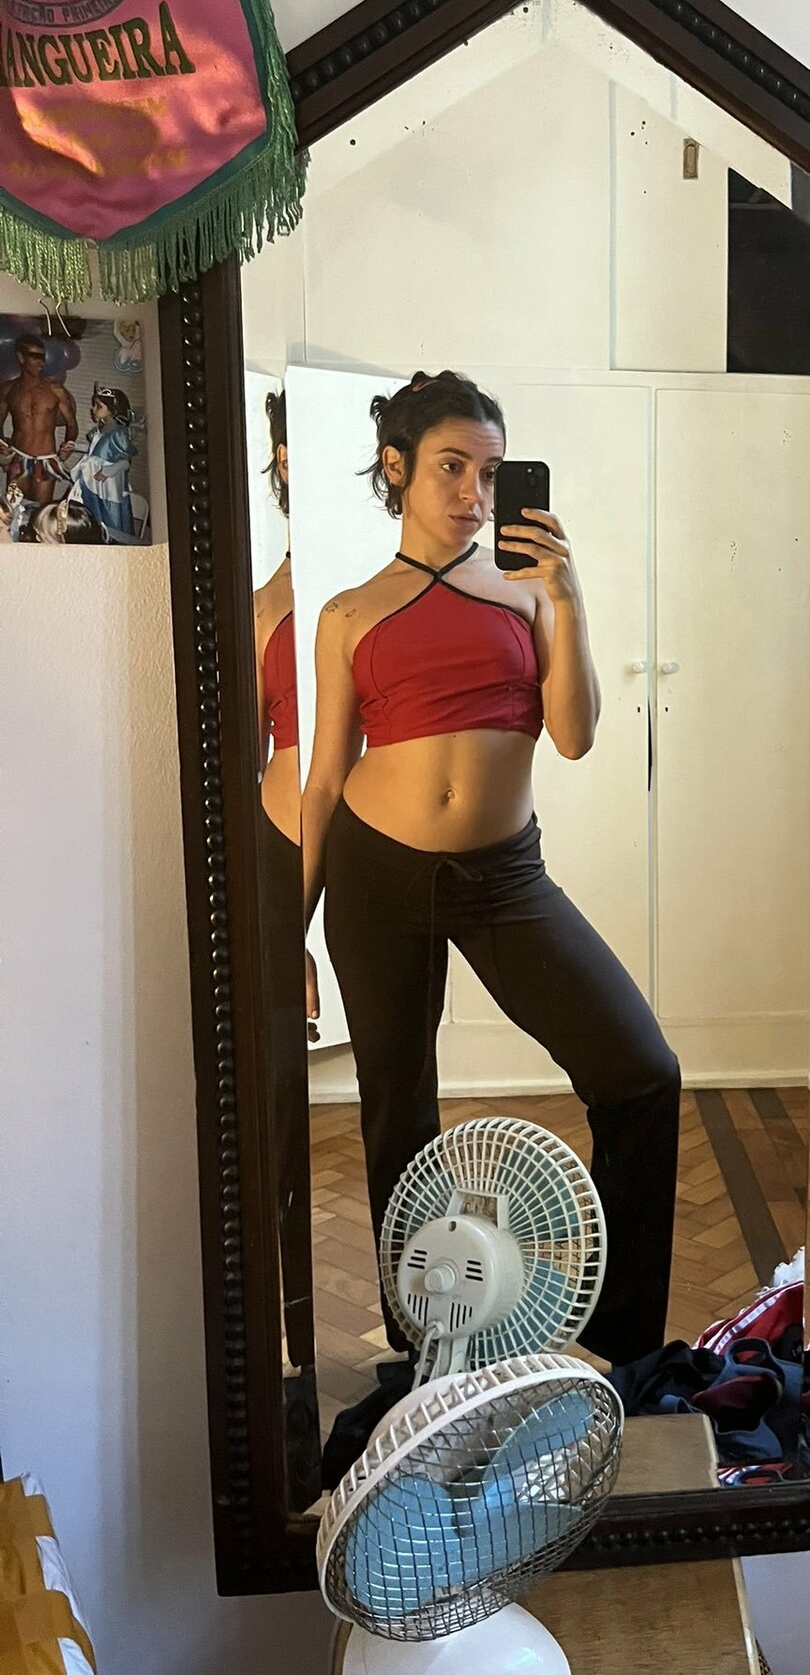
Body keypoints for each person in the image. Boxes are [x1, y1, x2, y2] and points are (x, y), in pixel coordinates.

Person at [302, 370, 680, 1371]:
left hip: (507, 878)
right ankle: (422, 1342)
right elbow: (325, 776)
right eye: (451, 467)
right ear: (397, 468)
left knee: (640, 1074)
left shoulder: (528, 593)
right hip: (375, 875)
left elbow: (575, 736)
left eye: (491, 471)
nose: (474, 492)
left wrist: (569, 595)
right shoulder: (347, 614)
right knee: (397, 1109)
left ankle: (626, 1344)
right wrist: (287, 934)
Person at [251, 389, 316, 1381]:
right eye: (280, 452)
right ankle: (292, 1331)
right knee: (276, 1096)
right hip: (276, 845)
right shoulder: (264, 599)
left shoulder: (385, 588)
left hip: (380, 849)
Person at [0, 338, 77, 506]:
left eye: (42, 357)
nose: (41, 362)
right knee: (11, 509)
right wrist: (2, 444)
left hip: (46, 461)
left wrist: (69, 444)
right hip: (18, 460)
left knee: (41, 513)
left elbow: (72, 423)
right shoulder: (8, 389)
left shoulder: (56, 390)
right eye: (35, 356)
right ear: (21, 357)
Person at [67, 385, 137, 541]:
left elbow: (125, 462)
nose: (93, 409)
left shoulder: (119, 433)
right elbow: (97, 451)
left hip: (108, 485)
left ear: (112, 409)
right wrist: (76, 447)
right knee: (90, 510)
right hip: (92, 480)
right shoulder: (100, 430)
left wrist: (108, 471)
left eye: (98, 406)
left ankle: (111, 539)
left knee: (108, 514)